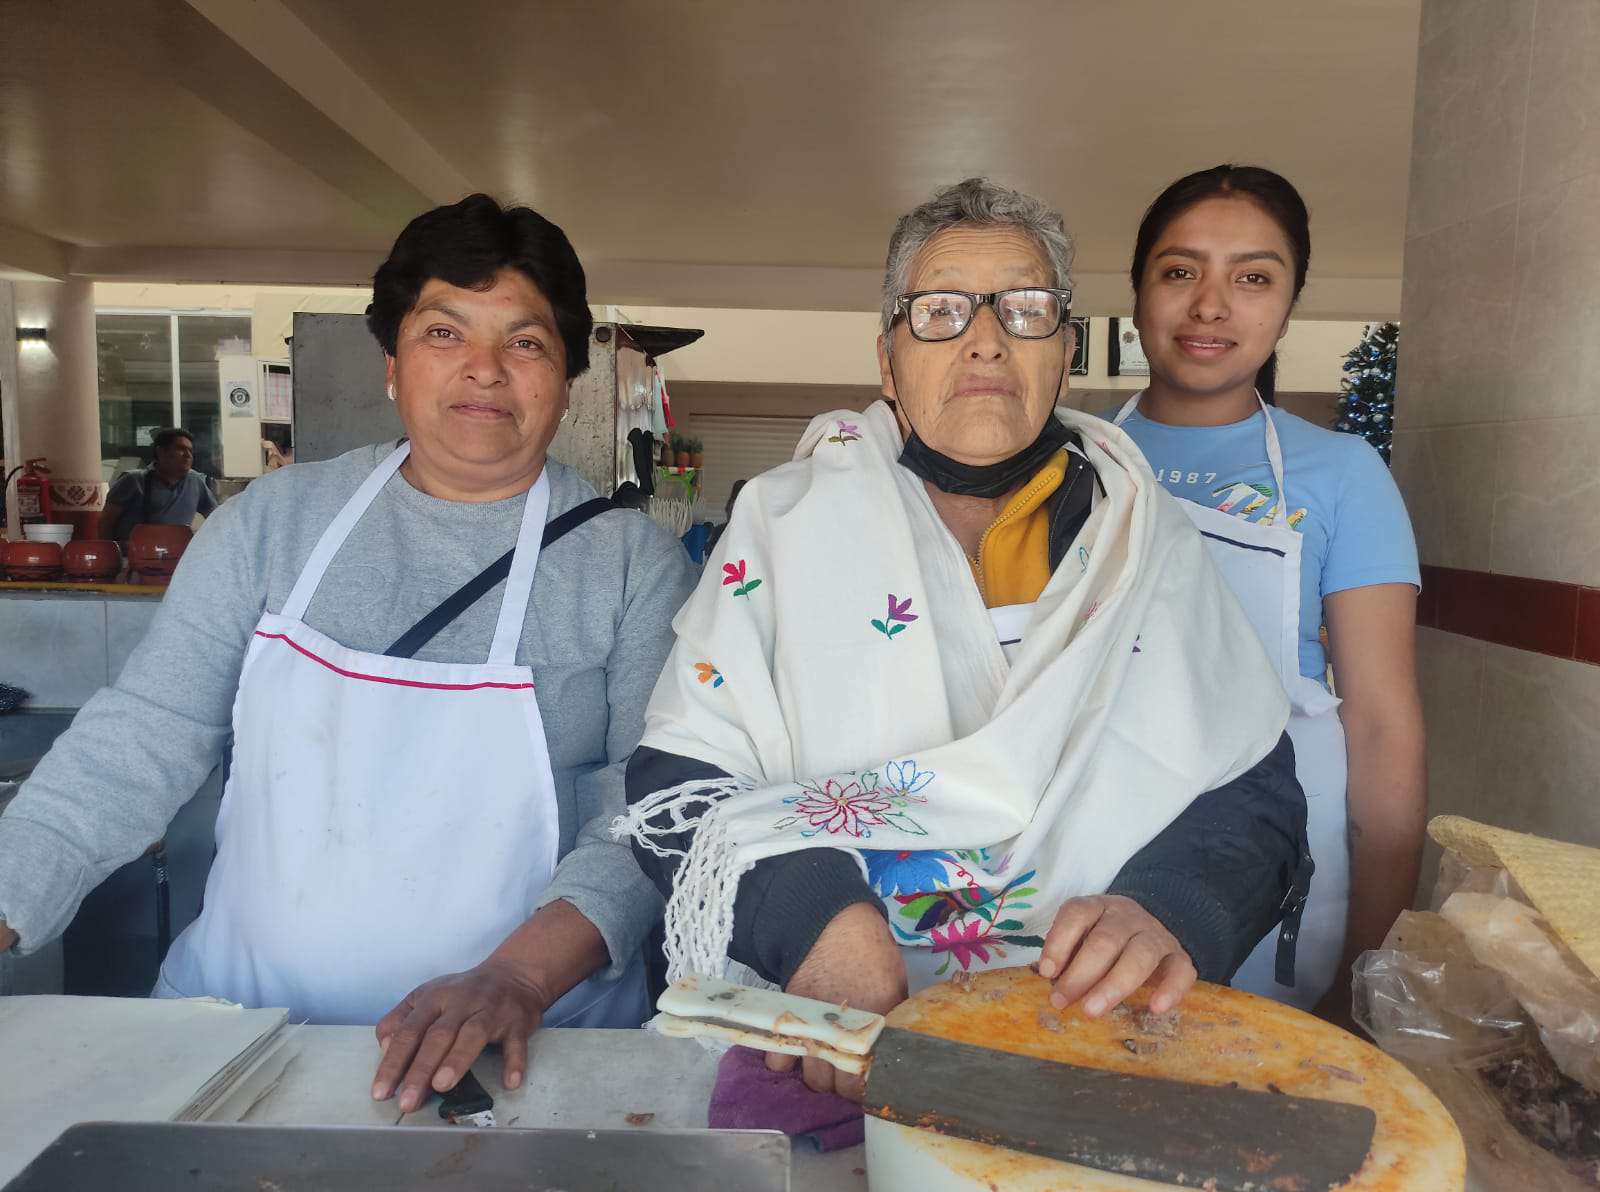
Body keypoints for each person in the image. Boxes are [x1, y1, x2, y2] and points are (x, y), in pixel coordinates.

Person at [0, 194, 695, 1114]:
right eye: (445, 332)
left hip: (521, 1060)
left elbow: (646, 817)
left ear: (566, 379)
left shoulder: (628, 563)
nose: (484, 370)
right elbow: (141, 735)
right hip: (245, 1035)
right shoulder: (273, 524)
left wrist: (518, 980)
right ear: (392, 365)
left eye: (524, 343)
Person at [617, 178, 1310, 1099]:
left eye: (1024, 309)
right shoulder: (783, 527)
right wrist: (818, 922)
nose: (985, 339)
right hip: (824, 1046)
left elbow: (1252, 785)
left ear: (1064, 353)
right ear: (887, 358)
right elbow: (676, 782)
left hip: (1082, 1046)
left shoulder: (1145, 543)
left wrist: (1169, 908)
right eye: (940, 310)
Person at [1110, 165, 1424, 1021]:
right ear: (1137, 293)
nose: (1211, 306)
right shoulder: (1077, 457)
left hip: (1277, 872)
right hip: (1090, 850)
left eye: (1252, 277)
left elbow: (1384, 723)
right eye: (1180, 271)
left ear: (1288, 307)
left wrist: (1364, 968)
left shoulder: (1342, 475)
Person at [99, 427, 219, 544]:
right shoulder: (133, 481)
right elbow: (105, 522)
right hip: (137, 556)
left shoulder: (196, 481)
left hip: (179, 556)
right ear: (161, 452)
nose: (188, 455)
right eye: (181, 449)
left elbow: (216, 517)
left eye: (190, 450)